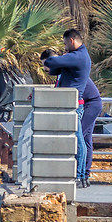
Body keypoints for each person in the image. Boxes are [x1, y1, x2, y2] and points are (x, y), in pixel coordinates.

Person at [42, 29, 103, 184]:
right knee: (83, 139)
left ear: (72, 41)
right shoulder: (74, 61)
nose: (65, 48)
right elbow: (56, 71)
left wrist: (49, 61)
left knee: (79, 139)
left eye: (65, 44)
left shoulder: (78, 57)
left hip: (87, 104)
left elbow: (53, 62)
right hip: (79, 103)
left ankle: (82, 174)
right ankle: (83, 175)